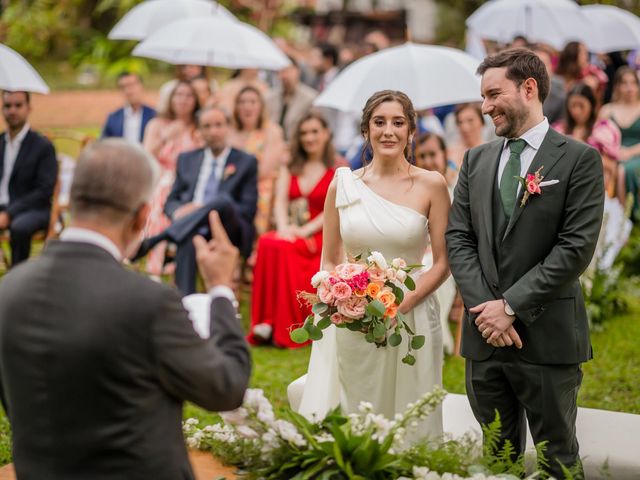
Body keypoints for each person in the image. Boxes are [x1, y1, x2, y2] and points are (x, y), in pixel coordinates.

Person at [0, 139, 251, 479]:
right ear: (142, 216)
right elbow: (226, 388)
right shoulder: (149, 301)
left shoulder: (9, 290)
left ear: (73, 202)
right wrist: (221, 288)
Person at [446, 48, 604, 479]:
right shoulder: (475, 161)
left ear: (529, 88)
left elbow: (575, 248)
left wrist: (510, 306)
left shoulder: (578, 159)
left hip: (547, 339)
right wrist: (486, 311)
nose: (485, 106)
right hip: (484, 340)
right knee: (497, 461)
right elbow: (458, 237)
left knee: (558, 463)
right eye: (483, 96)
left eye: (494, 93)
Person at [290, 90, 450, 441]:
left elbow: (442, 262)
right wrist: (343, 301)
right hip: (354, 317)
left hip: (413, 312)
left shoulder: (432, 185)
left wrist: (400, 305)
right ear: (366, 130)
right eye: (379, 122)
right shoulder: (344, 184)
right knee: (354, 408)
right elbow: (331, 258)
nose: (388, 131)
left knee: (409, 411)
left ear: (411, 132)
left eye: (398, 123)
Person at [133, 105, 258, 296]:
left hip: (228, 229)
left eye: (218, 125)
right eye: (207, 126)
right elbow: (171, 201)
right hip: (190, 228)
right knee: (189, 237)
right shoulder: (187, 159)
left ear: (228, 128)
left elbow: (247, 210)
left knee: (223, 200)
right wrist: (178, 212)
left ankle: (159, 238)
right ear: (198, 131)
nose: (213, 131)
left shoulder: (245, 161)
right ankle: (186, 303)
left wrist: (203, 209)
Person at [249, 112, 335, 348]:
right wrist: (284, 226)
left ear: (326, 134)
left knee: (286, 248)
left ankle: (289, 325)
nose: (309, 138)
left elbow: (333, 210)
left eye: (314, 132)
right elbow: (280, 202)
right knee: (268, 241)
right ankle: (266, 321)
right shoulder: (291, 165)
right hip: (291, 228)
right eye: (304, 133)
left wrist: (304, 230)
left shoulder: (337, 169)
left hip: (320, 235)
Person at [143, 81, 202, 276]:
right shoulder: (157, 125)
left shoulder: (199, 129)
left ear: (195, 101)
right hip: (159, 179)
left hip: (188, 183)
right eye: (179, 95)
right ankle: (158, 259)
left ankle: (165, 256)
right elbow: (146, 156)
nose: (183, 100)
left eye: (188, 96)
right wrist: (166, 137)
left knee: (169, 194)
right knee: (161, 193)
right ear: (171, 99)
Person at [0, 91, 58, 265]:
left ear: (28, 108)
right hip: (2, 205)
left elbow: (44, 190)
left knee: (20, 227)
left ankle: (17, 277)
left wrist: (9, 214)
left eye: (18, 105)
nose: (12, 111)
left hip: (33, 208)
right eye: (7, 106)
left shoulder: (42, 146)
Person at [415, 132, 457, 355]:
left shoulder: (456, 189)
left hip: (448, 253)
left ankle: (436, 337)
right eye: (422, 155)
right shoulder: (413, 190)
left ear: (444, 155)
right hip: (418, 251)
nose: (428, 161)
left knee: (432, 266)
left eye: (433, 154)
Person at [228, 86, 285, 237]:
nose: (247, 106)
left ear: (260, 106)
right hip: (232, 187)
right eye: (242, 102)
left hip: (260, 187)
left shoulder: (272, 131)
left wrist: (234, 173)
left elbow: (263, 170)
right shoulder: (230, 132)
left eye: (252, 102)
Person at [553, 83, 622, 200]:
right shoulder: (559, 130)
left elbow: (611, 166)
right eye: (573, 106)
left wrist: (581, 149)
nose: (576, 111)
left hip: (594, 182)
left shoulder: (604, 129)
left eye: (581, 106)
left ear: (592, 105)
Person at [600, 66, 640, 218]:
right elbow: (598, 139)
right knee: (605, 171)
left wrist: (629, 152)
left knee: (624, 171)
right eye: (624, 83)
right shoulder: (607, 110)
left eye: (633, 83)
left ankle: (627, 218)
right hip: (612, 155)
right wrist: (613, 152)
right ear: (617, 86)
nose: (629, 88)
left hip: (636, 153)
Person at [266, 58, 318, 141]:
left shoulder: (310, 97)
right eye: (280, 72)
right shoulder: (270, 97)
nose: (284, 76)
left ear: (297, 71)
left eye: (287, 71)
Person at [101, 72, 156, 143]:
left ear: (141, 86)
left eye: (131, 85)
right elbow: (104, 144)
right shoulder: (113, 118)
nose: (128, 91)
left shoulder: (154, 115)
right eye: (123, 87)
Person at [448, 103, 486, 170]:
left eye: (470, 121)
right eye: (460, 122)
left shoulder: (492, 151)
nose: (465, 128)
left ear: (482, 122)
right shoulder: (450, 153)